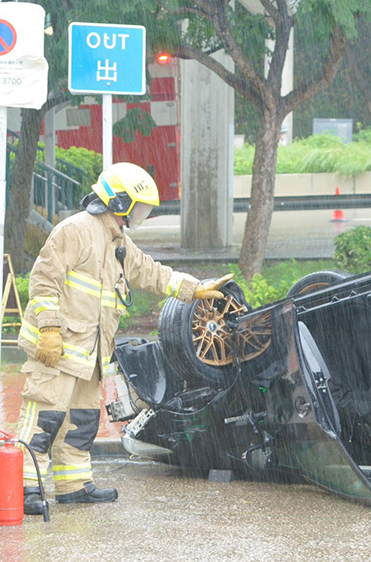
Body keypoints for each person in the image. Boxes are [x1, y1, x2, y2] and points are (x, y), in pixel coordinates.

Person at [16, 162, 232, 516]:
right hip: (56, 348)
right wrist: (49, 330)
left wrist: (195, 289)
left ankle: (74, 485)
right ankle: (23, 487)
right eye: (139, 208)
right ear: (118, 201)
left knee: (81, 422)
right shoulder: (75, 230)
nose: (139, 217)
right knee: (44, 418)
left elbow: (152, 272)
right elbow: (43, 281)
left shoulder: (118, 242)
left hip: (88, 354)